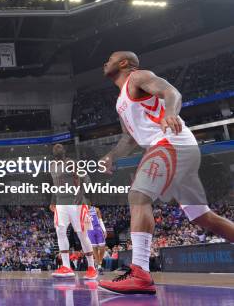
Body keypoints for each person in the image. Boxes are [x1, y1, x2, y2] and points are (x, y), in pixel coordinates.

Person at [98, 51, 234, 295]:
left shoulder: (138, 77)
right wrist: (111, 156)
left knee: (138, 195)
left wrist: (170, 112)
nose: (105, 62)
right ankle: (140, 273)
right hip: (174, 147)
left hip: (170, 141)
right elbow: (129, 139)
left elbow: (172, 93)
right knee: (202, 216)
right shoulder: (121, 101)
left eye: (110, 58)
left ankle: (140, 272)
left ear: (124, 63)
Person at [49, 144, 98, 280]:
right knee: (60, 231)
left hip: (76, 203)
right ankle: (66, 266)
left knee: (82, 235)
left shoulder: (72, 163)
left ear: (64, 151)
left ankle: (92, 267)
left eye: (59, 148)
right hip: (61, 203)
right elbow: (55, 184)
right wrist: (53, 200)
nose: (57, 149)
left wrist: (80, 194)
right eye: (55, 148)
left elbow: (87, 179)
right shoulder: (52, 166)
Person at [86, 206, 107, 273]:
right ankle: (99, 265)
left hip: (98, 229)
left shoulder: (96, 209)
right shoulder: (82, 210)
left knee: (102, 247)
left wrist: (104, 230)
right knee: (94, 248)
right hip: (89, 230)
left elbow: (100, 220)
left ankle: (99, 261)